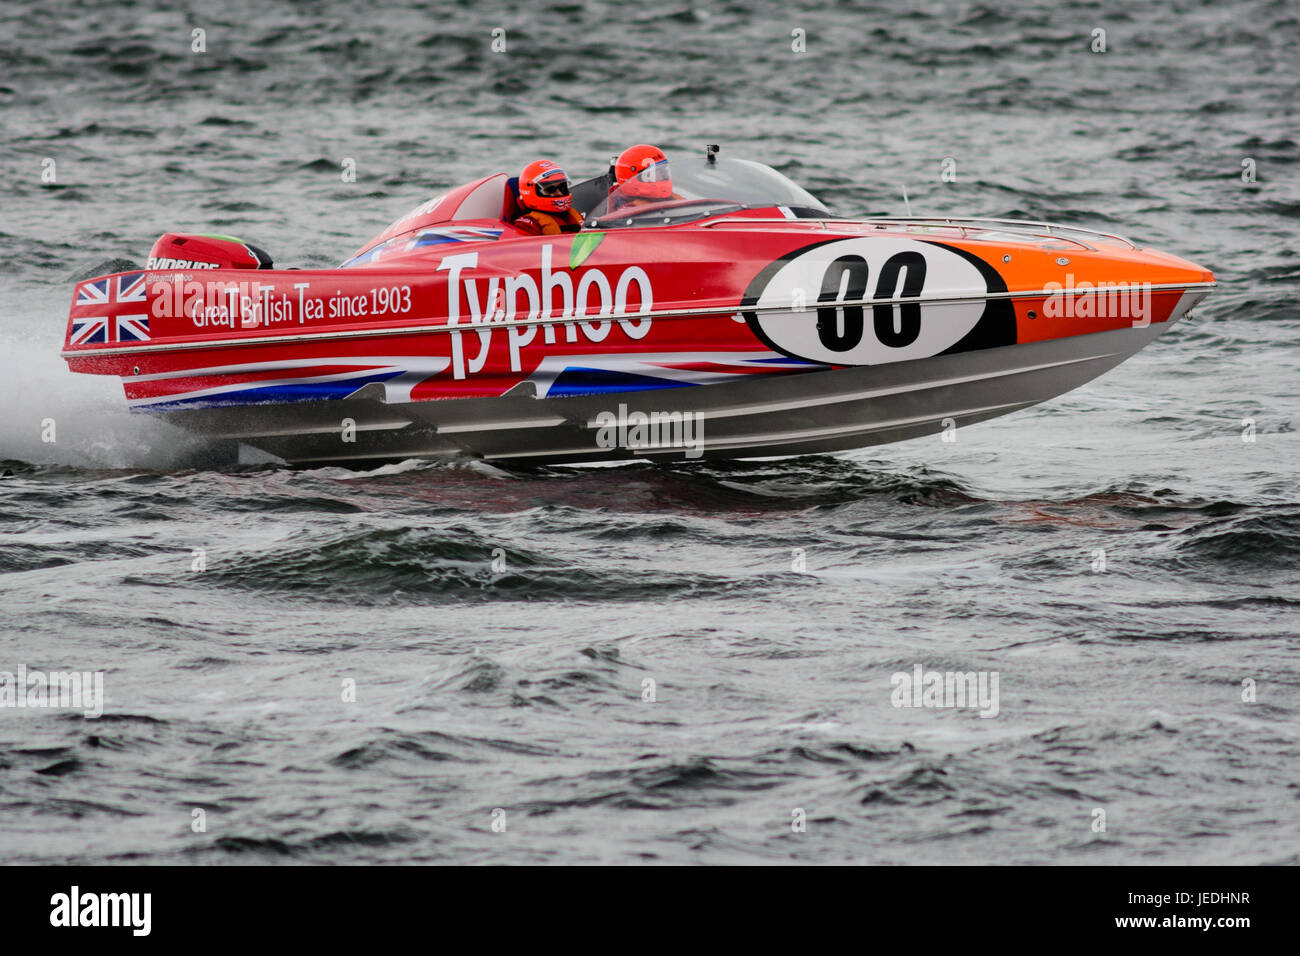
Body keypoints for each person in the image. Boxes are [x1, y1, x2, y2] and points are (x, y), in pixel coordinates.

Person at [512, 160, 583, 235]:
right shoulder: (527, 225)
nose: (559, 193)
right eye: (550, 189)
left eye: (562, 187)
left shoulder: (574, 215)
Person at [609, 144, 674, 208]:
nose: (662, 176)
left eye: (663, 170)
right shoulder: (624, 207)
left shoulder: (670, 197)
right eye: (653, 173)